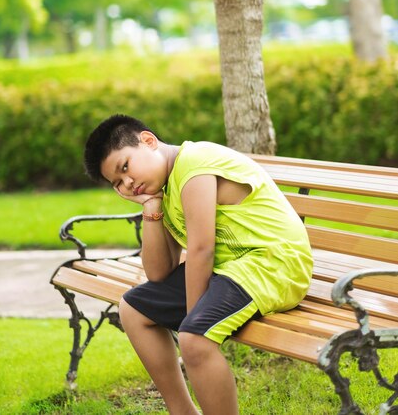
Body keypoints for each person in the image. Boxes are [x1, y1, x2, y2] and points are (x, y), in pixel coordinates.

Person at [84, 114, 313, 415]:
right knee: (133, 309)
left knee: (194, 340)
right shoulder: (163, 190)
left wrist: (193, 326)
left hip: (272, 264)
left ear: (148, 141)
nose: (127, 183)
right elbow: (158, 271)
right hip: (231, 268)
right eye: (118, 183)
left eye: (124, 167)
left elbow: (201, 250)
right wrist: (151, 208)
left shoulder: (194, 163)